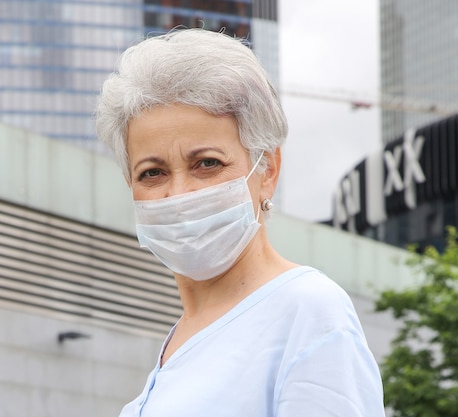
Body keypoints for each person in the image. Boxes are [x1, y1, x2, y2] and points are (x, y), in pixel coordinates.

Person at [95, 28, 385, 417]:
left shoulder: (308, 312)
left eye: (207, 164)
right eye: (152, 172)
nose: (179, 194)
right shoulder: (180, 338)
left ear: (267, 169)